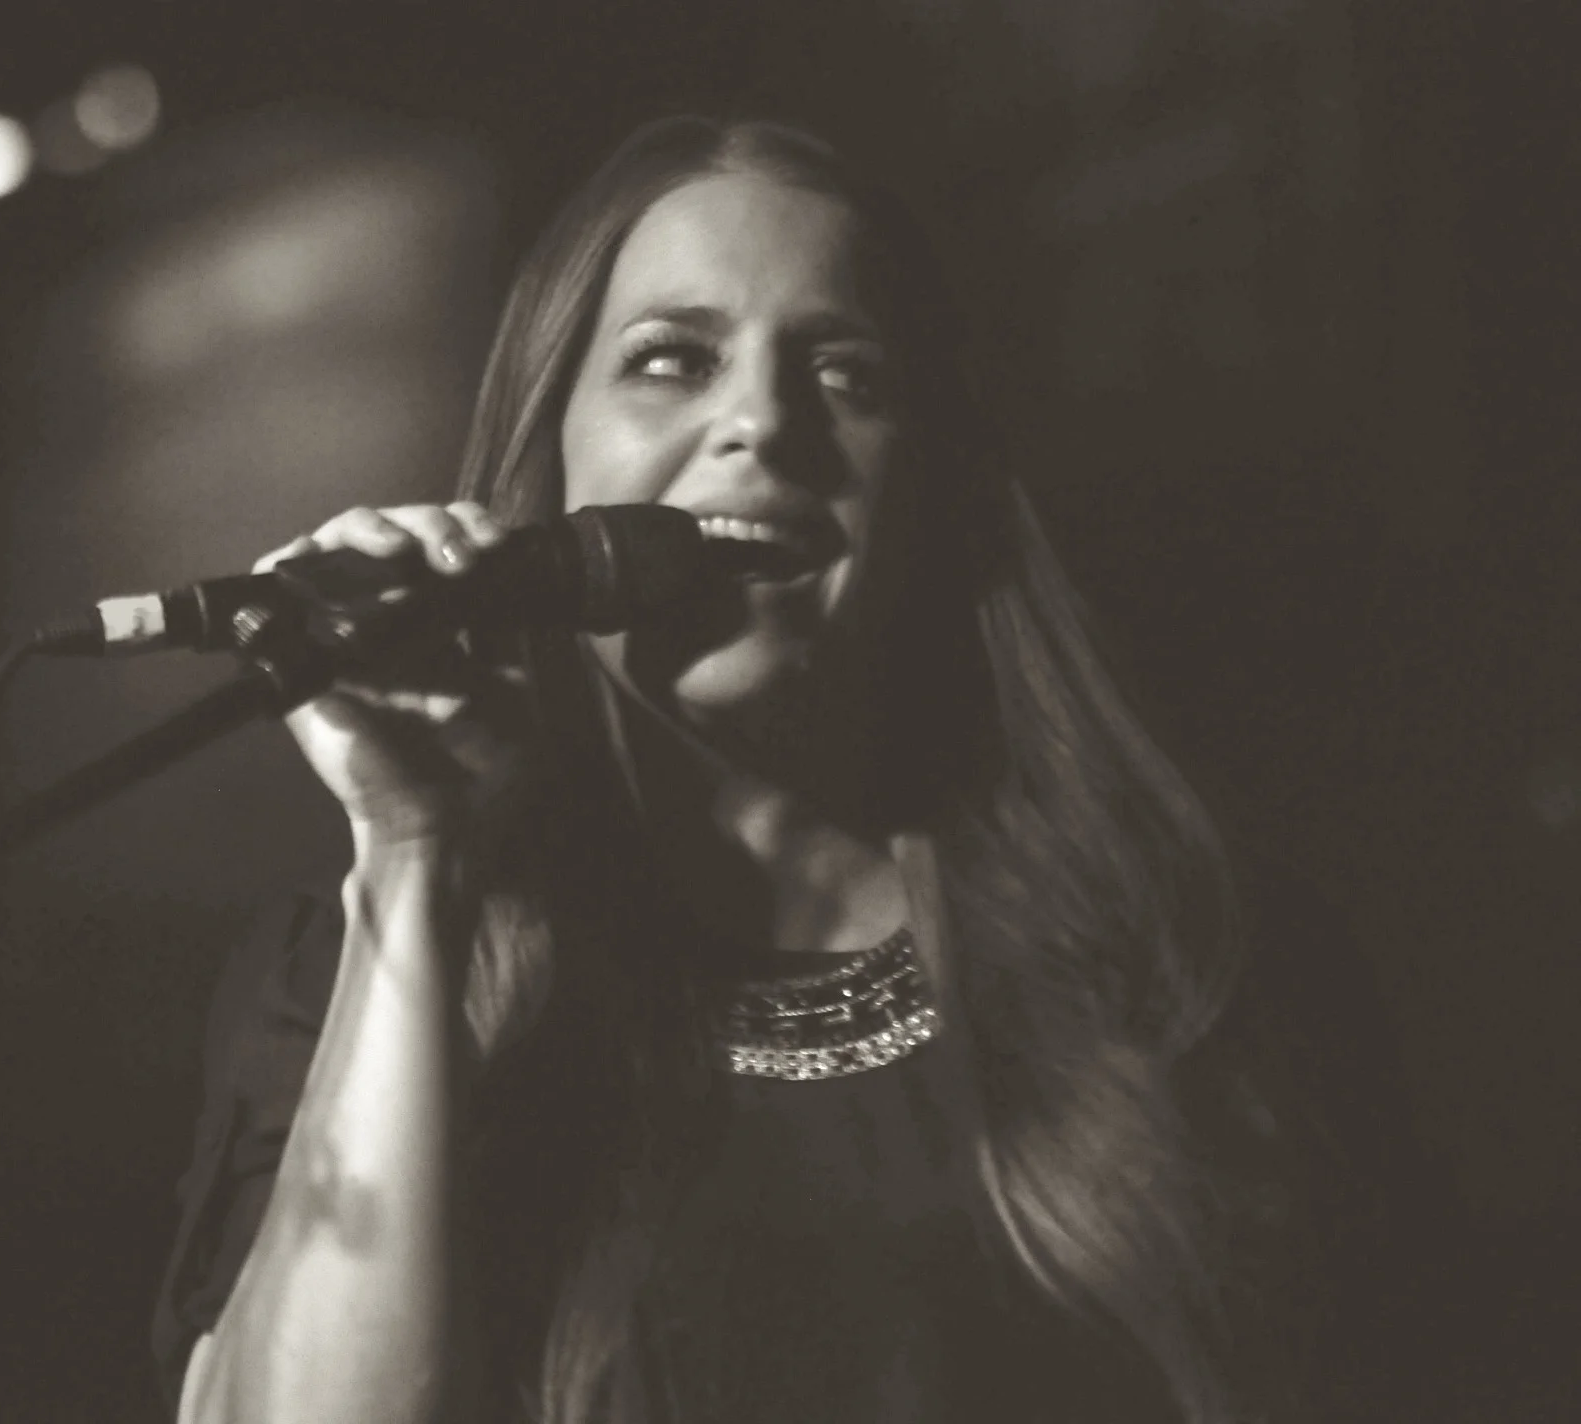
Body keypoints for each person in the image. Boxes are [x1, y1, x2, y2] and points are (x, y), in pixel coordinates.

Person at [151, 115, 1427, 1424]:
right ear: (547, 468)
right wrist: (416, 856)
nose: (761, 421)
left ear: (928, 490)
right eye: (670, 361)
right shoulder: (347, 979)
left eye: (846, 376)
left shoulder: (1191, 962)